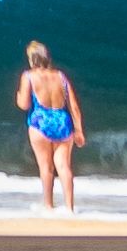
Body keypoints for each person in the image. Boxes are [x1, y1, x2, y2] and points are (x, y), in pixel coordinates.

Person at [16, 42, 84, 211]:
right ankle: (70, 207)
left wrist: (18, 97)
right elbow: (74, 106)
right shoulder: (61, 76)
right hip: (62, 121)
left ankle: (48, 205)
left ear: (32, 59)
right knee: (63, 165)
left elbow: (24, 104)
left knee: (46, 167)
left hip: (40, 121)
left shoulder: (28, 76)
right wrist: (78, 130)